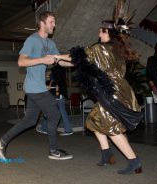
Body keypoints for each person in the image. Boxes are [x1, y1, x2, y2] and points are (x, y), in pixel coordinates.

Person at [54, 18, 144, 174]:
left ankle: (134, 161)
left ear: (106, 32)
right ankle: (107, 154)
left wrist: (57, 55)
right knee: (94, 120)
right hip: (121, 91)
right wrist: (59, 60)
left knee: (112, 128)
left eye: (100, 30)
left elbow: (78, 58)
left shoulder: (99, 48)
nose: (98, 32)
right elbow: (82, 63)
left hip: (111, 93)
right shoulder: (116, 50)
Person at [0, 11, 73, 160]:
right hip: (35, 88)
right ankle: (53, 151)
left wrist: (76, 63)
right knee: (54, 114)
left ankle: (2, 141)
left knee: (30, 120)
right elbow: (21, 62)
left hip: (36, 88)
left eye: (54, 22)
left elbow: (60, 61)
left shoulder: (51, 43)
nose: (54, 25)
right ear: (42, 23)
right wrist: (42, 59)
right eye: (51, 22)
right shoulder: (32, 40)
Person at [36, 65, 74, 136]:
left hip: (54, 97)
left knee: (48, 112)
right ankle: (68, 130)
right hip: (60, 96)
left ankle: (44, 128)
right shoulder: (62, 74)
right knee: (62, 113)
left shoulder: (53, 76)